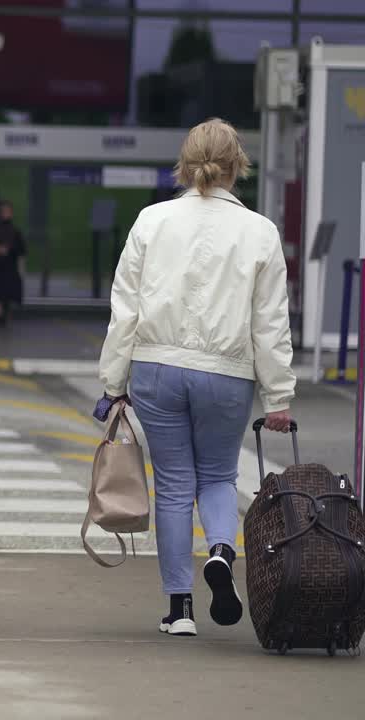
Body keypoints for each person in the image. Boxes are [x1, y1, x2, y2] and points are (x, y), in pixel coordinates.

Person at [97, 118, 296, 638]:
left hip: (157, 368)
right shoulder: (260, 232)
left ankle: (179, 608)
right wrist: (279, 395)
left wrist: (113, 380)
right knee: (219, 477)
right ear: (237, 166)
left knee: (173, 485)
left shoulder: (151, 220)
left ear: (185, 163)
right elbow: (269, 321)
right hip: (227, 374)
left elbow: (126, 309)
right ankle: (223, 555)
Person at [0, 201, 27, 324]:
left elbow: (20, 250)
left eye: (8, 211)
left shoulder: (15, 231)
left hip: (8, 268)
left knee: (7, 288)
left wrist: (7, 250)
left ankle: (2, 313)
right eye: (4, 211)